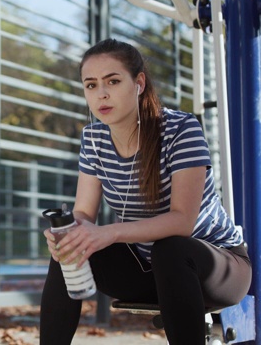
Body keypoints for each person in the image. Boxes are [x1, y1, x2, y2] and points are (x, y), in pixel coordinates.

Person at [40, 38, 251, 345]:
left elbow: (182, 222)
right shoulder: (94, 138)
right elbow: (84, 213)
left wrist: (109, 233)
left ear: (138, 83)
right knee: (69, 249)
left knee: (171, 247)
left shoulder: (181, 129)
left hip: (215, 268)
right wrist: (67, 233)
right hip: (147, 270)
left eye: (113, 81)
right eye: (91, 85)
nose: (102, 93)